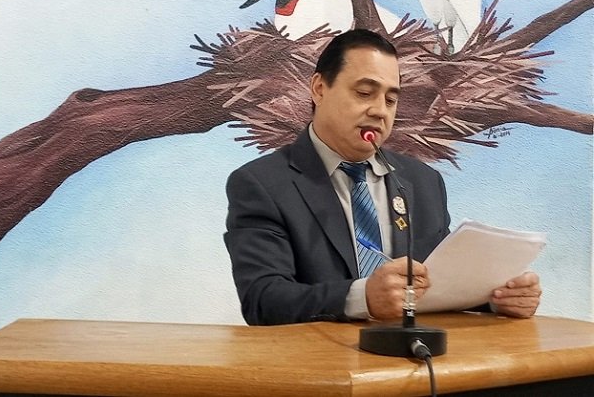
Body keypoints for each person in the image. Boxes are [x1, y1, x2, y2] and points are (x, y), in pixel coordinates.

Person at [224, 29, 541, 325]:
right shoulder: (261, 185)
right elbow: (262, 299)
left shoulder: (422, 182)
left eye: (391, 100)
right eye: (365, 93)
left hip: (413, 362)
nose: (380, 111)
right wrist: (362, 298)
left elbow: (440, 284)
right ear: (319, 89)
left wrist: (497, 298)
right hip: (323, 360)